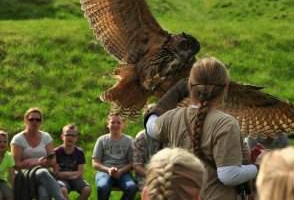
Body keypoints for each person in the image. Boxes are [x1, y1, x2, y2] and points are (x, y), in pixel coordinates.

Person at [145, 57, 258, 200]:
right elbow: (229, 175)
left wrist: (174, 92)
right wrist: (258, 166)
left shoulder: (172, 117)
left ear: (190, 86)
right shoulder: (226, 124)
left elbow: (150, 126)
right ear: (225, 88)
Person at [10, 107, 65, 200]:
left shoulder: (46, 137)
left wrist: (31, 161)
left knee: (43, 193)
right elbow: (16, 165)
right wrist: (38, 162)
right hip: (25, 174)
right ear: (25, 120)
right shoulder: (18, 139)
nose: (34, 122)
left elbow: (52, 160)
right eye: (31, 119)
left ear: (41, 122)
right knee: (42, 172)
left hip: (45, 173)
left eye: (38, 119)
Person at [92, 112, 138, 200]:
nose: (115, 125)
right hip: (105, 172)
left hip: (123, 172)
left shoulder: (129, 140)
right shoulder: (101, 140)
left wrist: (121, 171)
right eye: (113, 122)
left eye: (118, 122)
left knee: (131, 187)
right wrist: (108, 170)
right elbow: (95, 163)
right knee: (103, 187)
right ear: (108, 124)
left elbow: (132, 162)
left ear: (123, 125)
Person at [54, 124, 91, 200]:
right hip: (61, 180)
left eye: (73, 135)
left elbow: (80, 172)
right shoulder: (56, 152)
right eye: (67, 135)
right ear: (62, 137)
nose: (70, 137)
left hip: (76, 179)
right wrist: (72, 174)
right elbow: (56, 173)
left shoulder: (79, 152)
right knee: (62, 190)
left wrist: (67, 174)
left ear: (76, 138)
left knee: (87, 190)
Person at [0, 130, 14, 200]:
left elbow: (11, 175)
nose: (2, 144)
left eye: (5, 142)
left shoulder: (9, 156)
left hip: (2, 181)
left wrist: (14, 188)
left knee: (10, 195)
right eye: (0, 141)